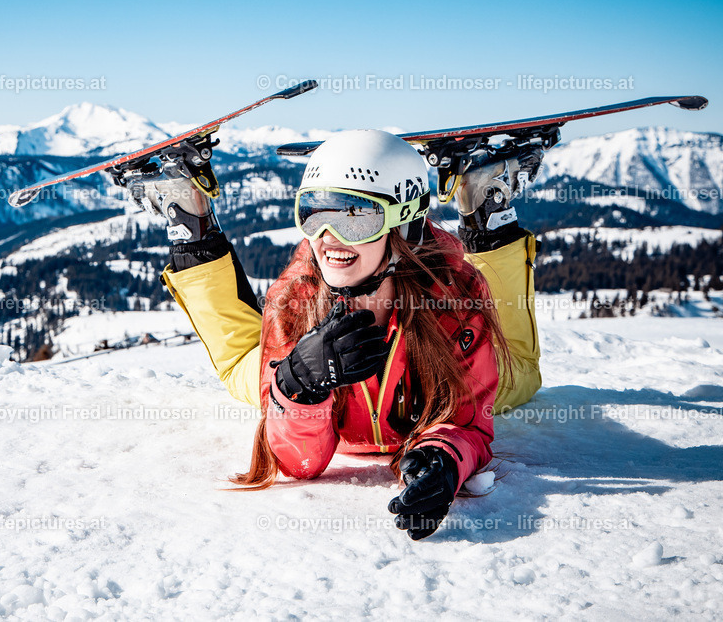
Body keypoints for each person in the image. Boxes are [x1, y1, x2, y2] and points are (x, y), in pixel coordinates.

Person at [143, 129, 542, 540]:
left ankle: (488, 206)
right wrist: (296, 387)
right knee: (242, 368)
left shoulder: (453, 297)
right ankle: (188, 222)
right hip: (322, 390)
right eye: (313, 214)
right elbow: (298, 464)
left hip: (440, 326)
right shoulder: (294, 302)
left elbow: (467, 419)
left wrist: (442, 457)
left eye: (357, 217)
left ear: (403, 225)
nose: (329, 237)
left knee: (518, 374)